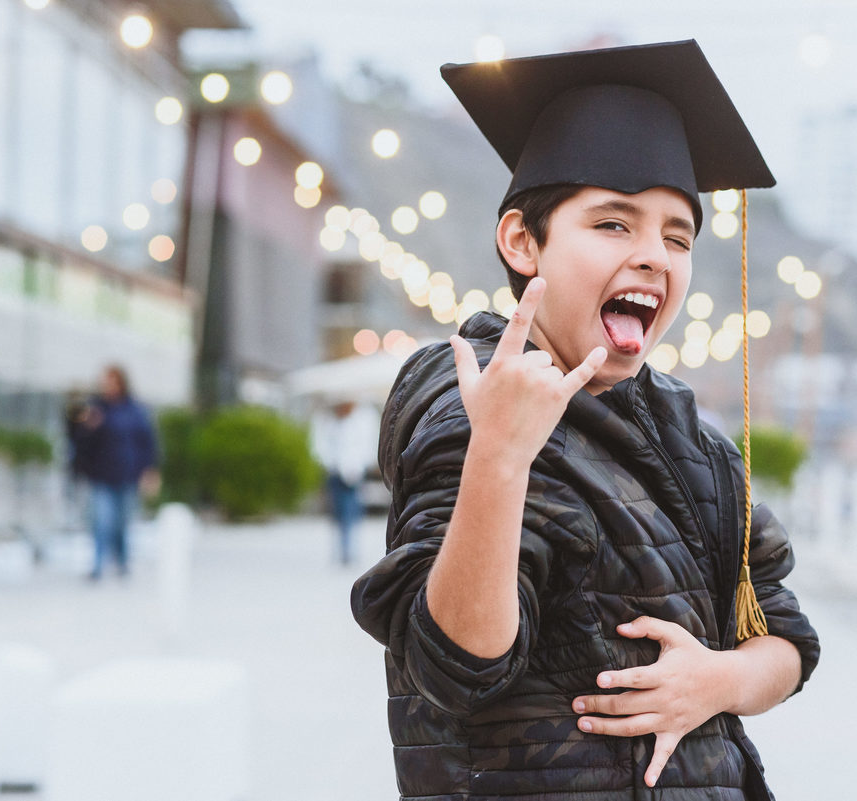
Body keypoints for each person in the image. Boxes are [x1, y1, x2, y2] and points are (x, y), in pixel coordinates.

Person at [351, 41, 819, 800]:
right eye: (613, 224)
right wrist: (499, 456)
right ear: (522, 241)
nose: (654, 256)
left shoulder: (699, 445)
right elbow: (454, 667)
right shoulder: (475, 400)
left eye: (677, 236)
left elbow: (788, 640)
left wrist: (717, 679)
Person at [72, 365, 159, 579]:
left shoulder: (135, 410)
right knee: (101, 522)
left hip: (127, 475)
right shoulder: (95, 408)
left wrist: (150, 470)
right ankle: (98, 565)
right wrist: (89, 427)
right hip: (100, 476)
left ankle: (122, 562)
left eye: (111, 381)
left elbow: (147, 442)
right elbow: (79, 442)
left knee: (122, 524)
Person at [310, 397, 379, 564]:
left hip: (355, 472)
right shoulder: (327, 420)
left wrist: (358, 465)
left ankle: (349, 548)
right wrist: (331, 463)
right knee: (339, 512)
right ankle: (344, 548)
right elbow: (320, 447)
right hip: (335, 472)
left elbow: (367, 445)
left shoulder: (363, 418)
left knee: (351, 510)